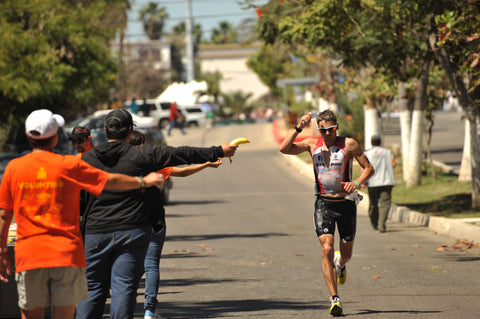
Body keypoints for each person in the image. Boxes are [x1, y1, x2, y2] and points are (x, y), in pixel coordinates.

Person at [0, 109, 164, 319]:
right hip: (66, 254)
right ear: (55, 136)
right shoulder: (70, 164)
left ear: (28, 134)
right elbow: (108, 180)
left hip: (29, 255)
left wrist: (2, 250)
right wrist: (142, 181)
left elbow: (4, 215)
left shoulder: (14, 168)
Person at [75, 109, 237, 319]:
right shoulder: (142, 154)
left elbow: (77, 198)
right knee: (124, 287)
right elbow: (180, 153)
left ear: (105, 131)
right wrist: (217, 151)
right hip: (131, 233)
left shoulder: (86, 159)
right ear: (130, 131)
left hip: (95, 235)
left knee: (92, 289)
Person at [279, 109, 374, 317]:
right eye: (322, 130)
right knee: (326, 248)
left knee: (346, 253)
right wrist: (298, 127)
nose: (326, 134)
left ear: (336, 128)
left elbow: (368, 168)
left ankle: (341, 264)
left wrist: (356, 182)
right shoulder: (312, 144)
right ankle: (335, 299)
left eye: (330, 130)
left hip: (346, 203)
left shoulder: (348, 144)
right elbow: (284, 148)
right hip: (324, 204)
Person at [129, 130, 223, 319]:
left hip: (129, 222)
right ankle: (149, 311)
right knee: (152, 264)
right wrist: (205, 164)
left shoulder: (121, 166)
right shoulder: (152, 163)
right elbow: (183, 171)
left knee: (130, 266)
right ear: (143, 145)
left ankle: (125, 307)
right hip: (154, 220)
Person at [364, 135, 396, 233]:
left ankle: (374, 223)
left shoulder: (367, 153)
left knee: (373, 204)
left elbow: (364, 167)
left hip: (372, 182)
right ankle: (382, 224)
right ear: (380, 142)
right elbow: (394, 164)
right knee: (385, 203)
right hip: (387, 181)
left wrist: (364, 181)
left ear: (371, 143)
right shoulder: (388, 152)